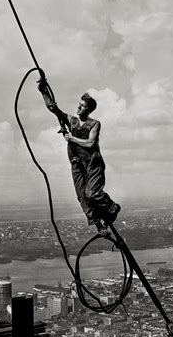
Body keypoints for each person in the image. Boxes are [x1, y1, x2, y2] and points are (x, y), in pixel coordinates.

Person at [38, 81, 120, 235]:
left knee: (92, 194)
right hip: (77, 163)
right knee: (82, 197)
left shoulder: (94, 124)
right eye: (79, 104)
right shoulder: (72, 121)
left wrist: (71, 138)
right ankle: (99, 226)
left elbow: (90, 143)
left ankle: (112, 207)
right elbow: (53, 108)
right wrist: (43, 91)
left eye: (83, 106)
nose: (79, 107)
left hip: (93, 164)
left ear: (88, 109)